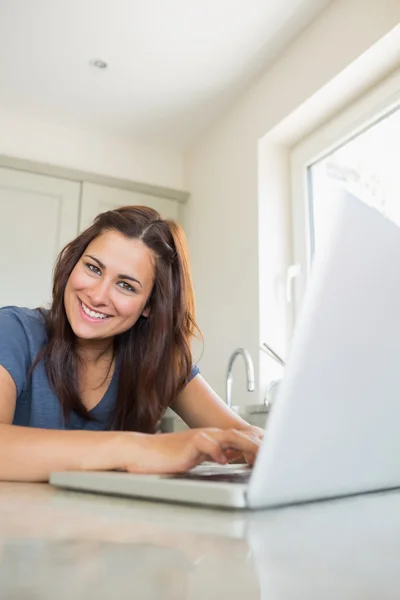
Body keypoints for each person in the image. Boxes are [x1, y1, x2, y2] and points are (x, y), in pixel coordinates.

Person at [0, 205, 261, 482]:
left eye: (126, 285)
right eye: (93, 268)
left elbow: (243, 439)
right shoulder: (13, 330)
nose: (98, 295)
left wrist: (257, 443)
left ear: (149, 305)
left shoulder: (159, 361)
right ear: (72, 264)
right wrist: (135, 448)